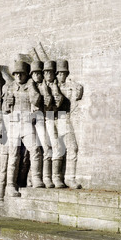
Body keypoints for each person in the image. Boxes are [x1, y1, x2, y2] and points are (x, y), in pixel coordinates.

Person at [3, 60, 44, 197]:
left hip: (27, 122)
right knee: (14, 155)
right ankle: (10, 185)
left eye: (21, 74)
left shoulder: (30, 85)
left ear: (26, 74)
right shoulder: (10, 88)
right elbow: (4, 109)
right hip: (14, 123)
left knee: (35, 150)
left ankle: (37, 178)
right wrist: (7, 104)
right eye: (16, 74)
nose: (19, 76)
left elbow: (36, 99)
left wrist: (31, 86)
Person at [55, 59, 83, 189]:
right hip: (51, 119)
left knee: (72, 148)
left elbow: (78, 92)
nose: (62, 76)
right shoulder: (51, 86)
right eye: (59, 73)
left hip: (64, 119)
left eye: (64, 73)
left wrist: (72, 83)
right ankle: (54, 178)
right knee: (54, 151)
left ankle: (70, 178)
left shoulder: (68, 86)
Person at [28, 60, 54, 188]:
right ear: (31, 75)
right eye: (35, 73)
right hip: (33, 120)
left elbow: (48, 103)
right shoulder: (28, 87)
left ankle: (46, 177)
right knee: (34, 151)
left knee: (47, 147)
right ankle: (33, 178)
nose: (37, 75)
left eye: (39, 73)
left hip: (44, 119)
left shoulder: (45, 86)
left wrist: (45, 89)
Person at [42, 60, 66, 188]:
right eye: (46, 72)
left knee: (58, 147)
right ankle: (47, 177)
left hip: (56, 117)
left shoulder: (56, 85)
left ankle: (56, 177)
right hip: (44, 118)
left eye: (50, 72)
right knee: (48, 148)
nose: (48, 74)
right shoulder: (40, 86)